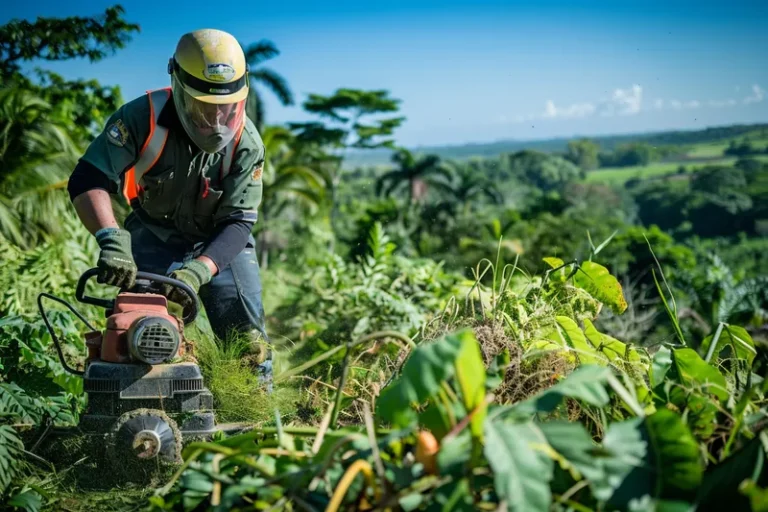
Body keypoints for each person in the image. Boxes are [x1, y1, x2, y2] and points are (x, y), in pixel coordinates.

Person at [67, 28, 271, 385]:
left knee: (249, 347)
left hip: (221, 244)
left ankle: (258, 423)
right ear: (178, 87)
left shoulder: (247, 144)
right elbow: (88, 179)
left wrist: (198, 271)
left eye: (227, 110)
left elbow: (239, 223)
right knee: (136, 332)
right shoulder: (139, 119)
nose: (217, 123)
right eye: (204, 110)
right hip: (153, 233)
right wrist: (111, 238)